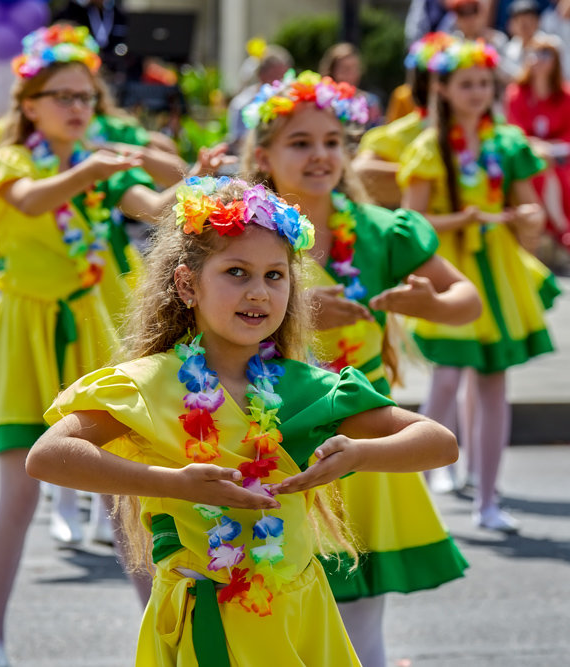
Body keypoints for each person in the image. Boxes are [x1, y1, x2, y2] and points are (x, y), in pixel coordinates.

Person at [26, 176, 460, 665]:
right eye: (237, 272)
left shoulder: (302, 387)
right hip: (203, 620)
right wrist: (174, 482)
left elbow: (439, 443)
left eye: (275, 276)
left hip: (298, 617)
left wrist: (360, 453)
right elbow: (48, 455)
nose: (259, 292)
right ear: (188, 283)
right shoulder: (149, 382)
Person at [0, 25, 225, 667]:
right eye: (63, 96)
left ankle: (163, 630)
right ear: (29, 104)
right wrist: (91, 167)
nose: (79, 108)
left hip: (92, 328)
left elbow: (154, 205)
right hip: (27, 333)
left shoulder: (101, 170)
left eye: (86, 96)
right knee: (18, 495)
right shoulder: (11, 162)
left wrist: (198, 179)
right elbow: (28, 202)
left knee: (124, 492)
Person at [240, 69, 478, 667]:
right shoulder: (244, 235)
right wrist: (293, 315)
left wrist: (431, 304)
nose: (321, 155)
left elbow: (466, 301)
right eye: (301, 142)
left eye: (332, 141)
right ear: (263, 154)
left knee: (360, 623)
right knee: (268, 610)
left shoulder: (379, 231)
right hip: (269, 433)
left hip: (361, 434)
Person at [398, 38, 558, 531]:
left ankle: (488, 500)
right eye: (466, 84)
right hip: (452, 273)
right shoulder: (428, 147)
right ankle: (414, 490)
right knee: (446, 379)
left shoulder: (505, 143)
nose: (477, 92)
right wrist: (461, 219)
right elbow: (410, 221)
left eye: (484, 84)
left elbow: (527, 205)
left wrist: (529, 216)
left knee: (493, 384)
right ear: (442, 89)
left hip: (498, 274)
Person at [355, 32, 456, 207]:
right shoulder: (402, 132)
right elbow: (360, 170)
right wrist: (420, 173)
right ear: (429, 85)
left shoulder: (490, 134)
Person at [505, 34, 570, 256]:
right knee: (541, 171)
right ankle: (561, 230)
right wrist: (539, 147)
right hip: (527, 158)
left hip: (562, 159)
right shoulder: (516, 94)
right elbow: (514, 132)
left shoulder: (566, 95)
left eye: (546, 53)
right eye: (534, 52)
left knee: (556, 172)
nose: (539, 59)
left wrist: (549, 148)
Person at [226, 45, 293, 150]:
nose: (279, 82)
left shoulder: (292, 100)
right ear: (261, 75)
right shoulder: (242, 103)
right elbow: (238, 142)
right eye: (274, 76)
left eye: (283, 76)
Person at [318, 43, 384, 127]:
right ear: (332, 71)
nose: (351, 75)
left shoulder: (371, 102)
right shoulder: (323, 101)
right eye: (345, 69)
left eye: (355, 68)